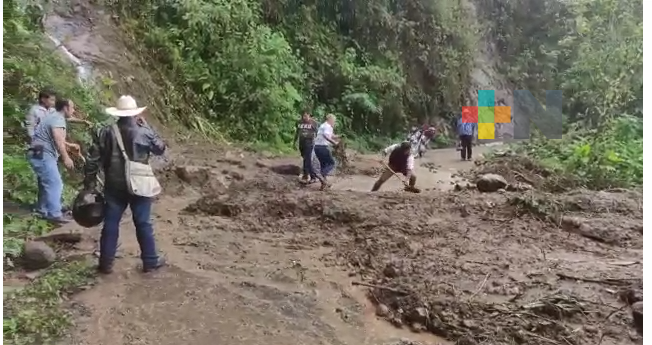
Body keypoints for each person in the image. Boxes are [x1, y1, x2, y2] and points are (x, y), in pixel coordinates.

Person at [83, 95, 167, 274]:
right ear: (135, 113)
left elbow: (93, 160)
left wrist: (89, 184)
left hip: (114, 185)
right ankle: (150, 261)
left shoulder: (106, 132)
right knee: (143, 222)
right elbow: (160, 149)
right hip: (140, 184)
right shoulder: (143, 131)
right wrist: (148, 128)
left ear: (118, 114)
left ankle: (106, 263)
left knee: (111, 222)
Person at [28, 99, 81, 223]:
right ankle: (54, 214)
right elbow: (58, 140)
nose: (73, 111)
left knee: (45, 183)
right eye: (72, 108)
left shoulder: (53, 117)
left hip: (37, 151)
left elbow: (51, 137)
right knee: (55, 183)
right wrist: (66, 157)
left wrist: (69, 145)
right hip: (43, 153)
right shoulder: (58, 119)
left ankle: (42, 210)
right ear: (65, 108)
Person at [313, 113, 339, 190]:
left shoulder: (323, 125)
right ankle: (321, 175)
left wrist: (339, 136)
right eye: (334, 121)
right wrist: (334, 143)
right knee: (331, 163)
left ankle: (324, 184)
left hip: (317, 147)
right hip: (322, 147)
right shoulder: (327, 126)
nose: (334, 122)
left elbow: (331, 135)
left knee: (323, 165)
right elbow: (326, 136)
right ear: (330, 119)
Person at [294, 110, 319, 184]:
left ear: (309, 115)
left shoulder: (313, 123)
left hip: (309, 142)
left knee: (307, 159)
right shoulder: (299, 122)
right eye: (303, 116)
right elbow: (297, 132)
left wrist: (317, 142)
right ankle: (306, 174)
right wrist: (294, 142)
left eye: (306, 116)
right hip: (301, 142)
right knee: (304, 158)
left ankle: (312, 176)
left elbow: (317, 132)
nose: (304, 117)